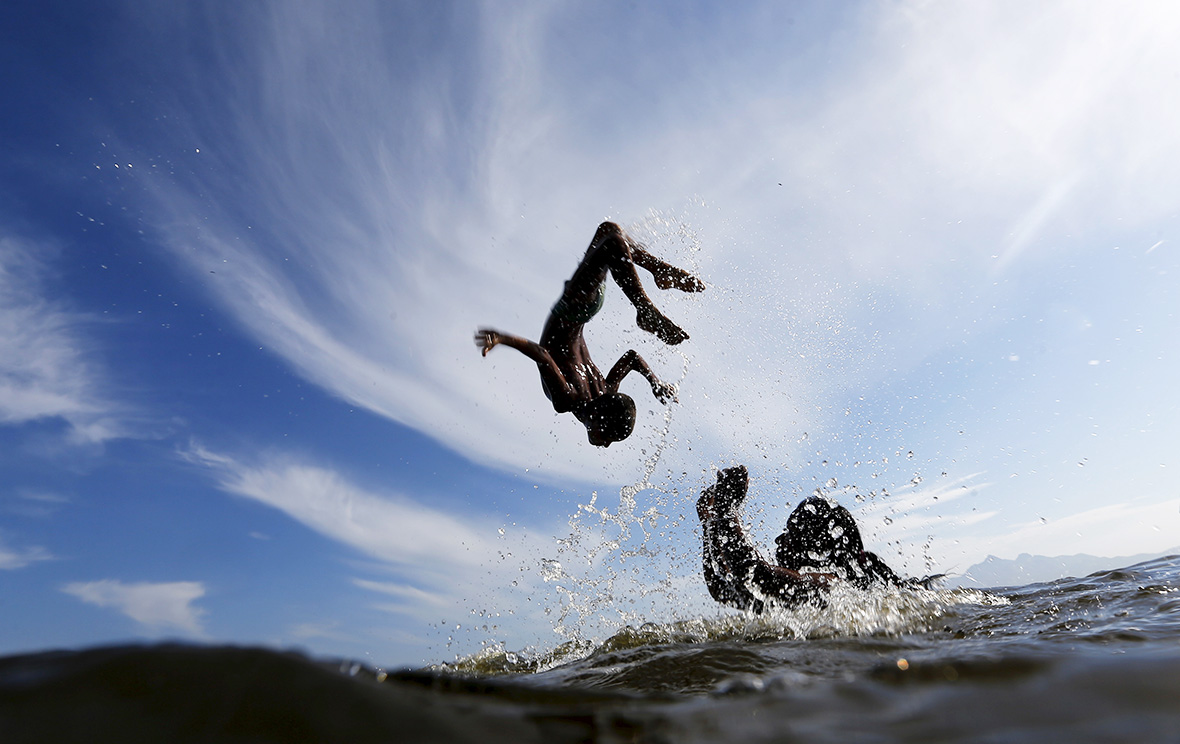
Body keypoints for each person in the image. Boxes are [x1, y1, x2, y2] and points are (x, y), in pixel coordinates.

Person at [475, 221, 704, 447]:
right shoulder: (573, 399)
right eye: (608, 438)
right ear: (598, 421)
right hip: (574, 308)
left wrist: (655, 383)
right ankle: (645, 308)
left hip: (584, 308)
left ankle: (657, 273)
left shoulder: (601, 393)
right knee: (611, 238)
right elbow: (542, 354)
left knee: (610, 234)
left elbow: (631, 358)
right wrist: (501, 338)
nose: (605, 446)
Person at [697, 465, 923, 613]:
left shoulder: (833, 586)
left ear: (818, 550)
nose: (779, 541)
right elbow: (722, 589)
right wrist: (709, 522)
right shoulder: (794, 600)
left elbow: (755, 575)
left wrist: (727, 509)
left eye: (791, 534)